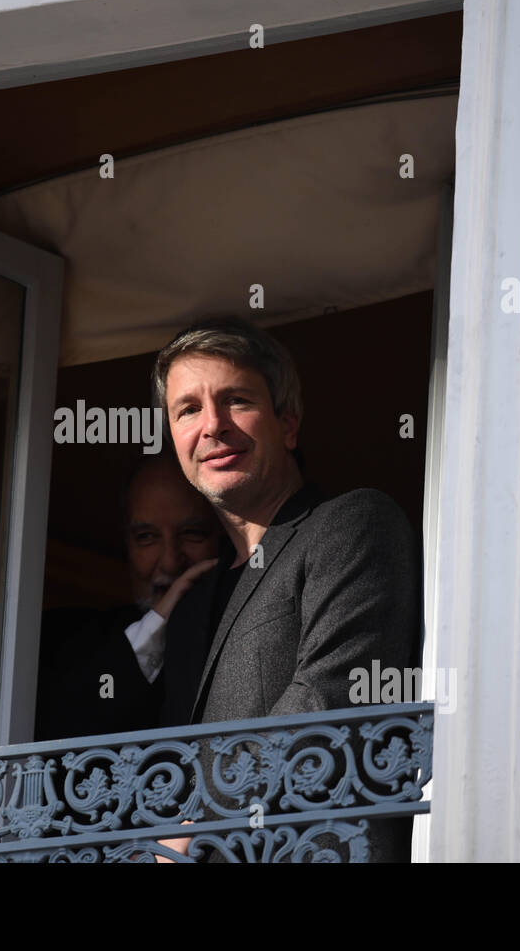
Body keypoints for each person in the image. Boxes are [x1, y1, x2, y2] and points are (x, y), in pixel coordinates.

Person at [150, 315, 421, 862]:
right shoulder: (197, 600)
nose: (213, 426)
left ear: (289, 425)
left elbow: (336, 697)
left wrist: (198, 816)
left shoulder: (351, 522)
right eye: (188, 409)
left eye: (237, 401)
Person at [34, 454, 221, 741]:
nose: (171, 562)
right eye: (147, 537)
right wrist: (157, 625)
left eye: (192, 533)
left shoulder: (248, 634)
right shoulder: (61, 642)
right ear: (126, 545)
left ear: (224, 537)